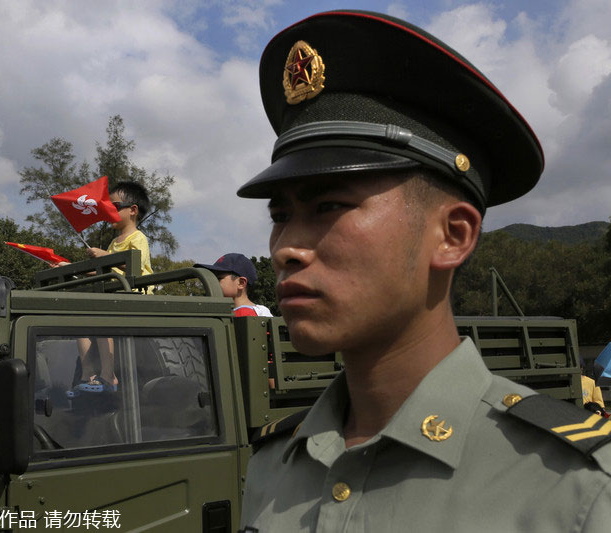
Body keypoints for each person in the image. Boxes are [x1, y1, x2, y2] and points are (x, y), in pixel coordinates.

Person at [236, 10, 611, 532]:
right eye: (279, 215)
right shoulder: (272, 465)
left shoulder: (575, 488)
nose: (285, 249)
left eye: (328, 207)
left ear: (453, 235)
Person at [78, 181, 154, 393]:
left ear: (133, 210)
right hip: (115, 294)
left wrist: (106, 256)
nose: (108, 211)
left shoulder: (138, 238)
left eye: (114, 206)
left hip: (136, 294)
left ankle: (108, 375)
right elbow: (107, 271)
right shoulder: (114, 243)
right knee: (79, 325)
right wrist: (75, 268)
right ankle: (87, 373)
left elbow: (134, 265)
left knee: (103, 323)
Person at [194, 253, 272, 317]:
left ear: (241, 283)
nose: (213, 282)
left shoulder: (245, 315)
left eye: (219, 279)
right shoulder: (260, 312)